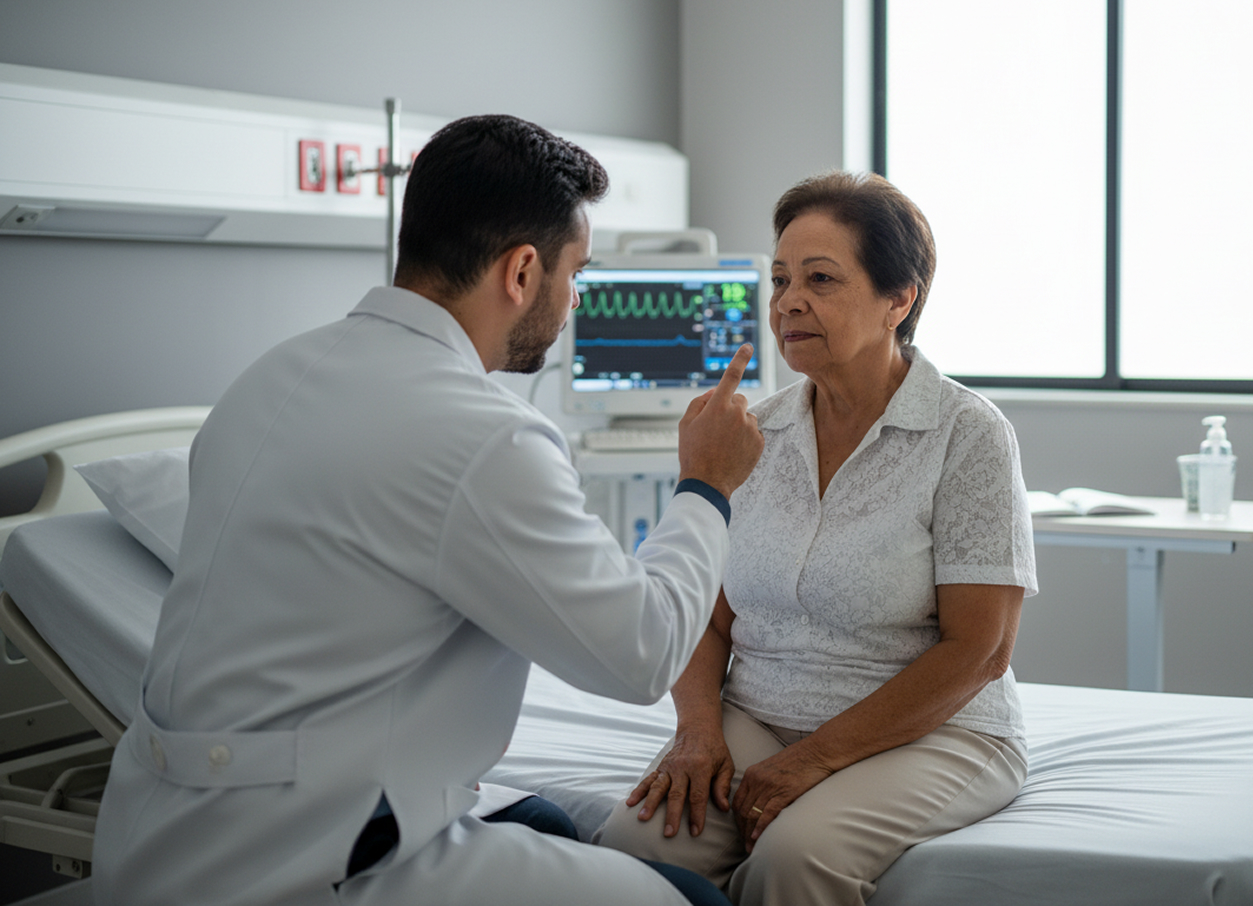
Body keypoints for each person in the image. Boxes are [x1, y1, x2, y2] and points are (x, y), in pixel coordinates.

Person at [91, 114, 764, 906]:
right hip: (314, 858)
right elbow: (640, 654)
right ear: (521, 271)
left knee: (544, 818)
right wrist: (706, 486)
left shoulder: (272, 375)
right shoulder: (485, 434)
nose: (573, 299)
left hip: (166, 832)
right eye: (572, 272)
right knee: (699, 901)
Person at [596, 171, 1037, 906]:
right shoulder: (753, 434)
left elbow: (981, 650)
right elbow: (706, 616)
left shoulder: (967, 436)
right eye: (779, 279)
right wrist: (697, 733)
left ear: (900, 298)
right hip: (758, 717)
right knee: (634, 848)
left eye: (821, 279)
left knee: (792, 860)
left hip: (932, 734)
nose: (787, 301)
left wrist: (812, 762)